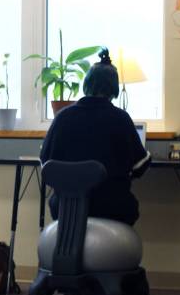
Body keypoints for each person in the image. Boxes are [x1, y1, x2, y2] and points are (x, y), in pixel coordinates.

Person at [39, 48, 151, 225]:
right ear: (114, 87)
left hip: (65, 210)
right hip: (113, 210)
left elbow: (46, 162)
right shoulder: (120, 118)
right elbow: (139, 166)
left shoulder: (62, 116)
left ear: (87, 84)